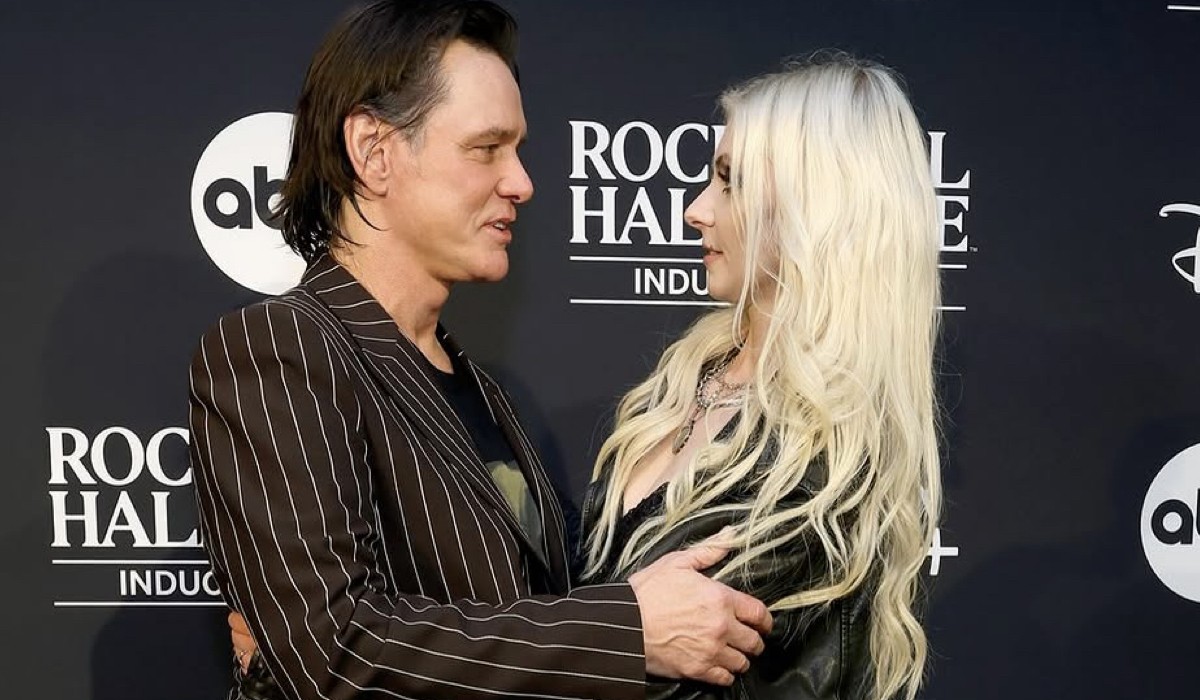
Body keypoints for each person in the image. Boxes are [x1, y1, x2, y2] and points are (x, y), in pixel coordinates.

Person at [188, 2, 772, 699]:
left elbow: (526, 611)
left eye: (517, 150)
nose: (521, 182)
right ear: (374, 151)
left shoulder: (477, 388)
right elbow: (335, 650)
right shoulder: (277, 350)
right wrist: (623, 632)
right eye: (486, 148)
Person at [576, 54, 943, 700]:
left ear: (815, 210)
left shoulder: (826, 466)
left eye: (730, 181)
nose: (696, 210)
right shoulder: (689, 378)